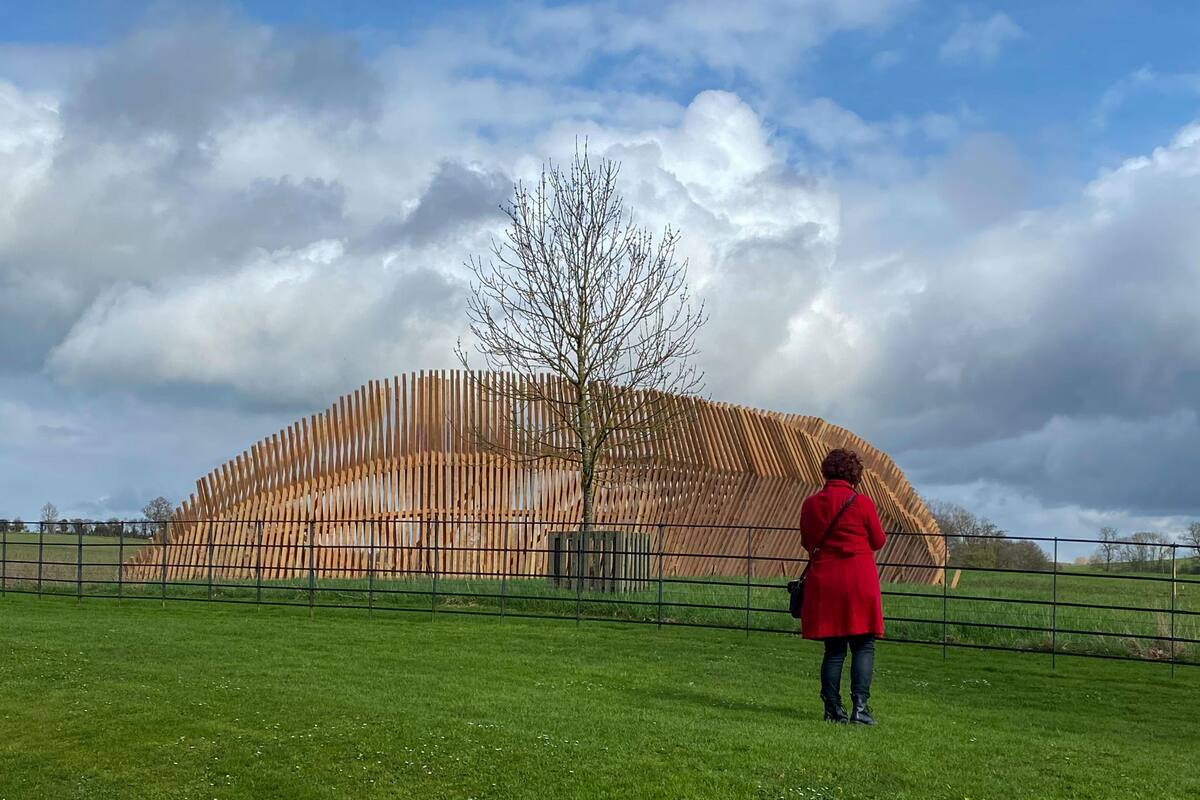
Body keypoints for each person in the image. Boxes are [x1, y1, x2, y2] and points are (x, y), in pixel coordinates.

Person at [800, 448, 886, 725]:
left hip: (825, 580)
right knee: (863, 644)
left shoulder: (810, 504)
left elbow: (807, 542)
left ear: (826, 471)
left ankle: (832, 709)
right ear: (855, 475)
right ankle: (860, 709)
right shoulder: (862, 504)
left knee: (834, 649)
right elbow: (878, 540)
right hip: (859, 578)